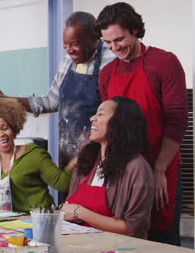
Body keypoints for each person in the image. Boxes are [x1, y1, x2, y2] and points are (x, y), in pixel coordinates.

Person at [95, 2, 188, 245]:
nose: (114, 47)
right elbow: (108, 125)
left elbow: (177, 120)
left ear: (135, 30)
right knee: (122, 239)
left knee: (160, 240)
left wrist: (158, 170)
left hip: (161, 165)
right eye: (107, 43)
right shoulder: (106, 73)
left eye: (119, 39)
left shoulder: (164, 62)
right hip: (123, 172)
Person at [0, 12, 115, 187]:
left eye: (75, 44)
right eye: (65, 45)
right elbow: (52, 100)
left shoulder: (110, 61)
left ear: (95, 38)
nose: (69, 50)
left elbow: (116, 114)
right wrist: (10, 100)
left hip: (99, 154)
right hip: (67, 155)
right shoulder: (68, 60)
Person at [61, 96, 154, 239]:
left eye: (100, 114)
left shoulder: (137, 168)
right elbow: (67, 210)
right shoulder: (86, 161)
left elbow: (132, 228)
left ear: (120, 123)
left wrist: (80, 213)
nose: (92, 118)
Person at [0, 98, 73, 213]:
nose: (1, 134)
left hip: (39, 222)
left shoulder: (34, 154)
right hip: (10, 227)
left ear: (13, 128)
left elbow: (62, 184)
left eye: (4, 128)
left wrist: (73, 165)